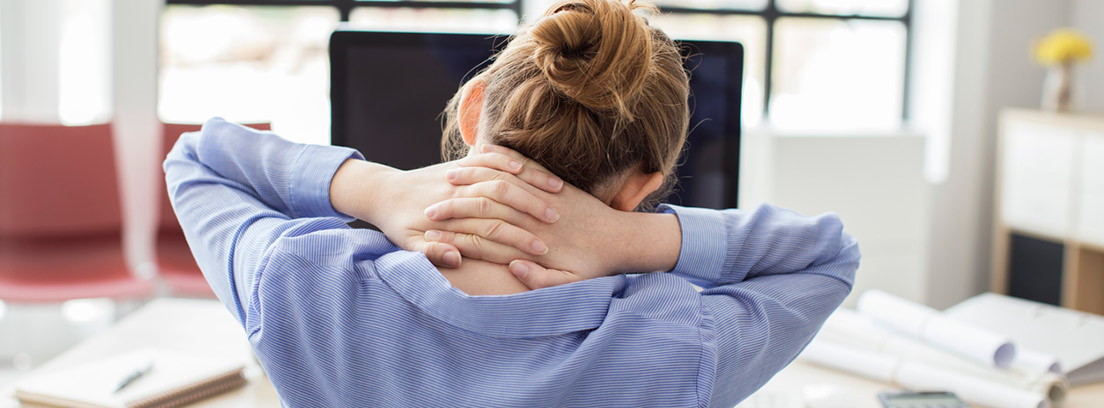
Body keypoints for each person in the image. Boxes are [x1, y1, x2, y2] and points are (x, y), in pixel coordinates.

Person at [163, 0, 860, 406]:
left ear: (471, 114)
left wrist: (378, 188)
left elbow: (199, 158)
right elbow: (828, 256)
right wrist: (624, 239)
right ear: (643, 183)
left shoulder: (301, 279)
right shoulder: (679, 344)